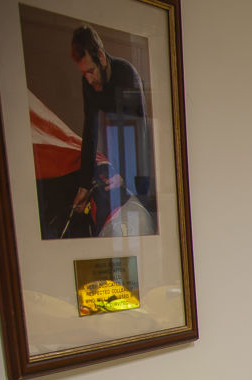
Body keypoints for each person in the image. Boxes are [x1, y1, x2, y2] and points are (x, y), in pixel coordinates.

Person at [69, 24, 153, 231]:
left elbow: (139, 131)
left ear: (101, 57)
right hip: (117, 140)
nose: (88, 79)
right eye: (84, 73)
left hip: (138, 159)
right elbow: (89, 132)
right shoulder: (87, 82)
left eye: (91, 71)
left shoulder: (127, 74)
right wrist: (84, 184)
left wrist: (126, 173)